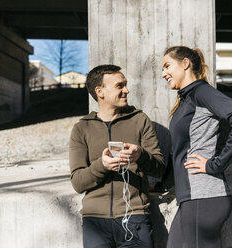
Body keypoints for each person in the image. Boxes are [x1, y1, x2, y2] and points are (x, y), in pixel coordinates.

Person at [161, 46, 232, 248]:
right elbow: (180, 151)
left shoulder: (201, 92)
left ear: (185, 63)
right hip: (190, 198)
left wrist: (215, 164)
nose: (163, 73)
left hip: (203, 197)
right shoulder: (186, 98)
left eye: (167, 66)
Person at [69, 64, 166, 248]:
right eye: (119, 86)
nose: (126, 90)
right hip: (95, 221)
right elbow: (78, 182)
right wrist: (102, 165)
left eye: (125, 85)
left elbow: (159, 167)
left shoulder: (140, 120)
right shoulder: (82, 128)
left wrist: (140, 155)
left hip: (135, 216)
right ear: (100, 92)